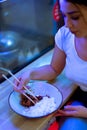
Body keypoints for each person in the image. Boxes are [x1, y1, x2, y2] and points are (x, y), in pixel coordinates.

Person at [14, 0, 87, 129]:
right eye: (64, 16)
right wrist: (29, 74)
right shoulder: (65, 35)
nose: (67, 24)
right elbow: (53, 69)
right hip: (82, 100)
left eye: (75, 17)